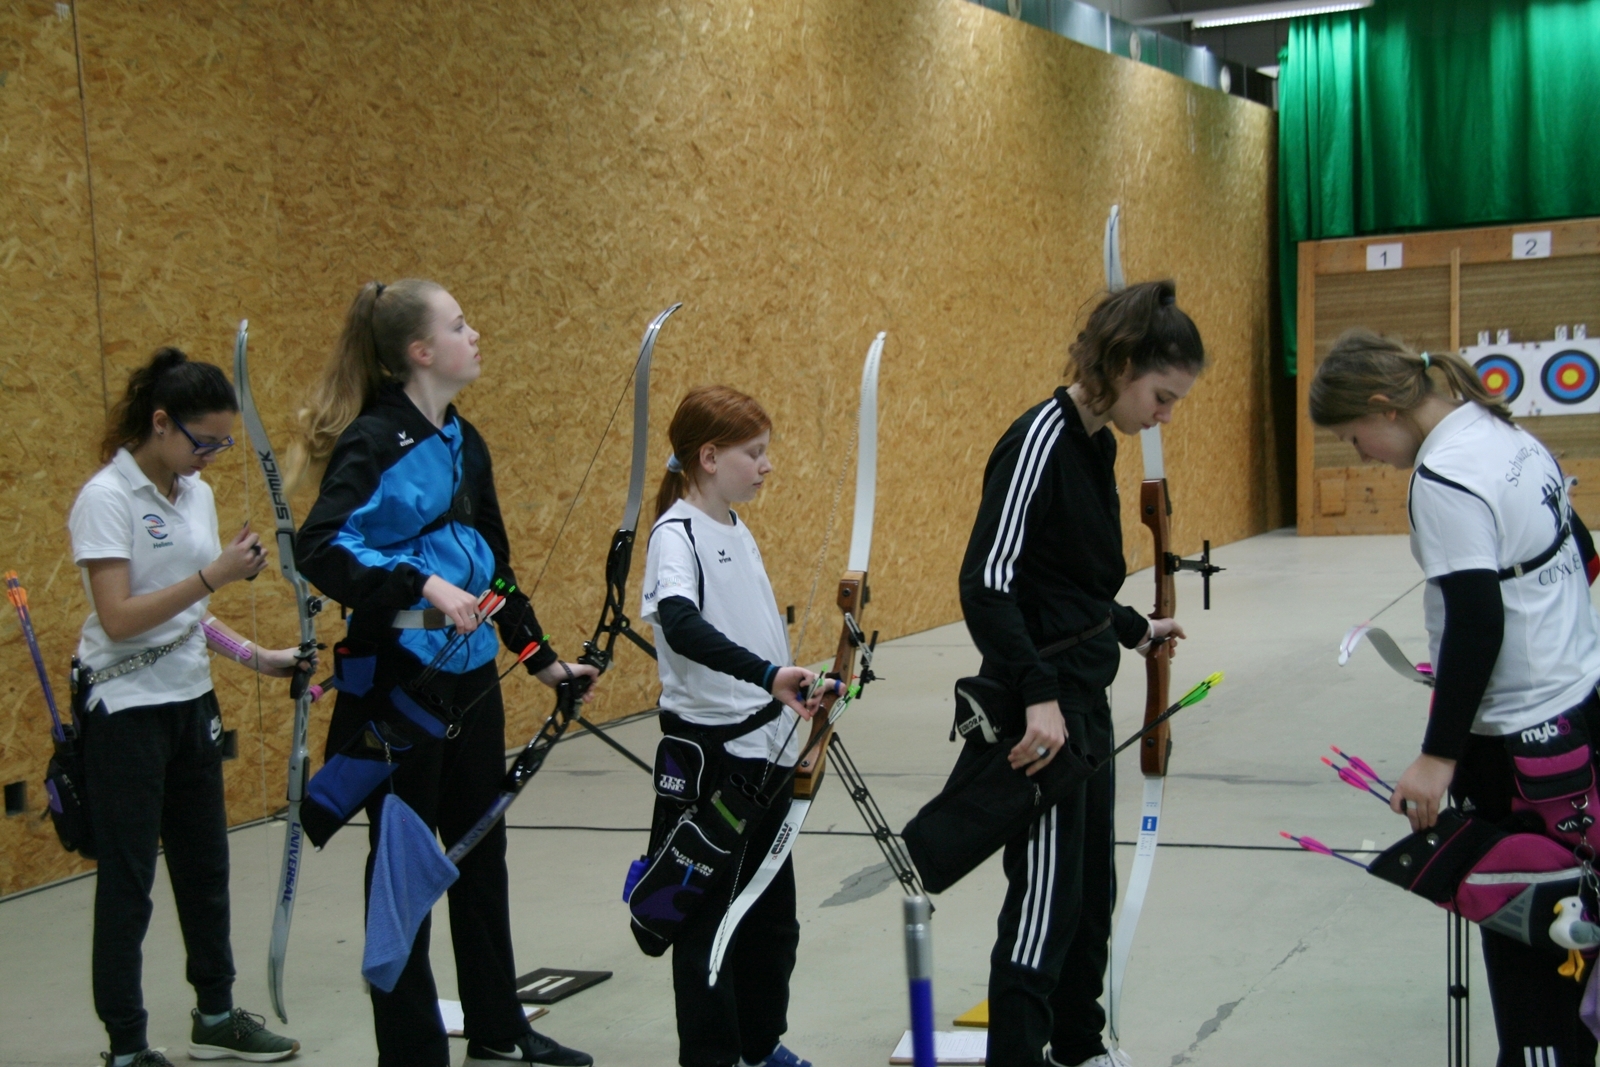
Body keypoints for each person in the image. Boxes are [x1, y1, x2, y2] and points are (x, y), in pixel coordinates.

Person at [293, 279, 597, 1067]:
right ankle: (411, 1052)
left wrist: (544, 663)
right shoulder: (374, 439)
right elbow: (320, 545)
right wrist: (418, 582)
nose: (475, 334)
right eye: (460, 325)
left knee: (478, 852)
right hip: (399, 684)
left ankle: (497, 1029)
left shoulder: (468, 439)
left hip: (470, 681)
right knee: (404, 869)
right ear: (421, 351)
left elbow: (495, 571)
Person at [1311, 328, 1600, 1067]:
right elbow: (1581, 549)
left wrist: (1438, 757)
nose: (1362, 455)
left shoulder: (1442, 474)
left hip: (1516, 743)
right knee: (1577, 928)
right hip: (1578, 707)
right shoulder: (1504, 432)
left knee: (1532, 944)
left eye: (1354, 437)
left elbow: (1476, 618)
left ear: (1384, 405)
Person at [957, 280, 1203, 1067]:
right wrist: (1038, 695)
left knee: (1091, 886)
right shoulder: (1039, 438)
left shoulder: (1097, 444)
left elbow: (1068, 583)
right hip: (1042, 708)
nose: (1165, 416)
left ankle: (1077, 1044)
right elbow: (986, 584)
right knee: (1046, 897)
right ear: (1122, 366)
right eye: (1162, 396)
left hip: (1081, 701)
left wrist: (1135, 629)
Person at [69, 347, 306, 1067]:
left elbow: (191, 615)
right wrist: (214, 573)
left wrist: (257, 656)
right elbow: (119, 618)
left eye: (222, 444)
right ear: (161, 423)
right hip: (124, 709)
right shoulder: (107, 497)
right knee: (130, 881)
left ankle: (217, 1014)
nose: (211, 457)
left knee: (205, 869)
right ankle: (127, 1045)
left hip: (189, 700)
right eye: (203, 442)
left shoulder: (193, 492)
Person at [638, 385, 825, 1067]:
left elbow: (750, 630)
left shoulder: (734, 528)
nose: (766, 465)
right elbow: (681, 624)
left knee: (771, 922)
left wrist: (797, 681)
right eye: (755, 452)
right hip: (715, 761)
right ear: (709, 457)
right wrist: (767, 676)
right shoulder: (676, 534)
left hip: (765, 751)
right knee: (708, 925)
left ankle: (758, 1044)